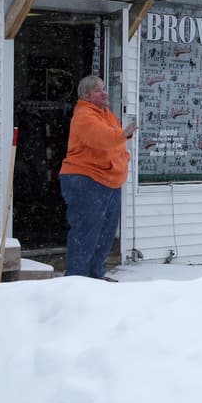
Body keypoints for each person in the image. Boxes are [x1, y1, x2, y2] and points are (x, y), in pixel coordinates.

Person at [59, 76, 136, 280]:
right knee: (87, 232)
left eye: (104, 88)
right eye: (98, 90)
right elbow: (102, 138)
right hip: (86, 179)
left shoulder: (107, 115)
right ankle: (77, 280)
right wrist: (123, 135)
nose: (105, 93)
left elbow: (116, 144)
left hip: (110, 181)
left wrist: (124, 158)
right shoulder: (84, 115)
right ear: (86, 96)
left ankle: (95, 277)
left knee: (105, 233)